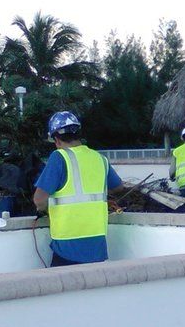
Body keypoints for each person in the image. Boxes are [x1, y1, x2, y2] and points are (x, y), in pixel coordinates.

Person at [32, 111, 125, 267]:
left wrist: (46, 209)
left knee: (62, 289)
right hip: (97, 242)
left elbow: (39, 200)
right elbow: (118, 187)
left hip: (67, 243)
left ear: (56, 140)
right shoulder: (100, 159)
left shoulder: (59, 157)